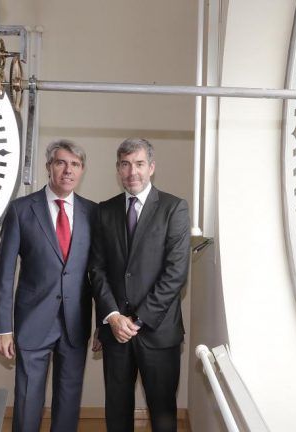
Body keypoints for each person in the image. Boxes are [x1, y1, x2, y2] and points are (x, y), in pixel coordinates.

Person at [0, 139, 96, 432]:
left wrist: (102, 322)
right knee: (27, 397)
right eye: (61, 162)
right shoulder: (21, 210)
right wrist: (3, 328)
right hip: (33, 320)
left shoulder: (93, 213)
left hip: (76, 322)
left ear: (82, 170)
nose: (67, 170)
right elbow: (4, 274)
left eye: (75, 164)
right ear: (49, 166)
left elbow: (99, 274)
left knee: (69, 398)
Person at [89, 138, 190, 432]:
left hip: (158, 332)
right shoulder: (104, 211)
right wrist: (111, 316)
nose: (132, 171)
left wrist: (138, 319)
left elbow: (176, 273)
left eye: (139, 163)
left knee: (163, 416)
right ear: (118, 169)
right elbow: (97, 269)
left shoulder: (174, 208)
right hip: (115, 331)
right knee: (117, 414)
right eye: (125, 164)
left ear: (152, 167)